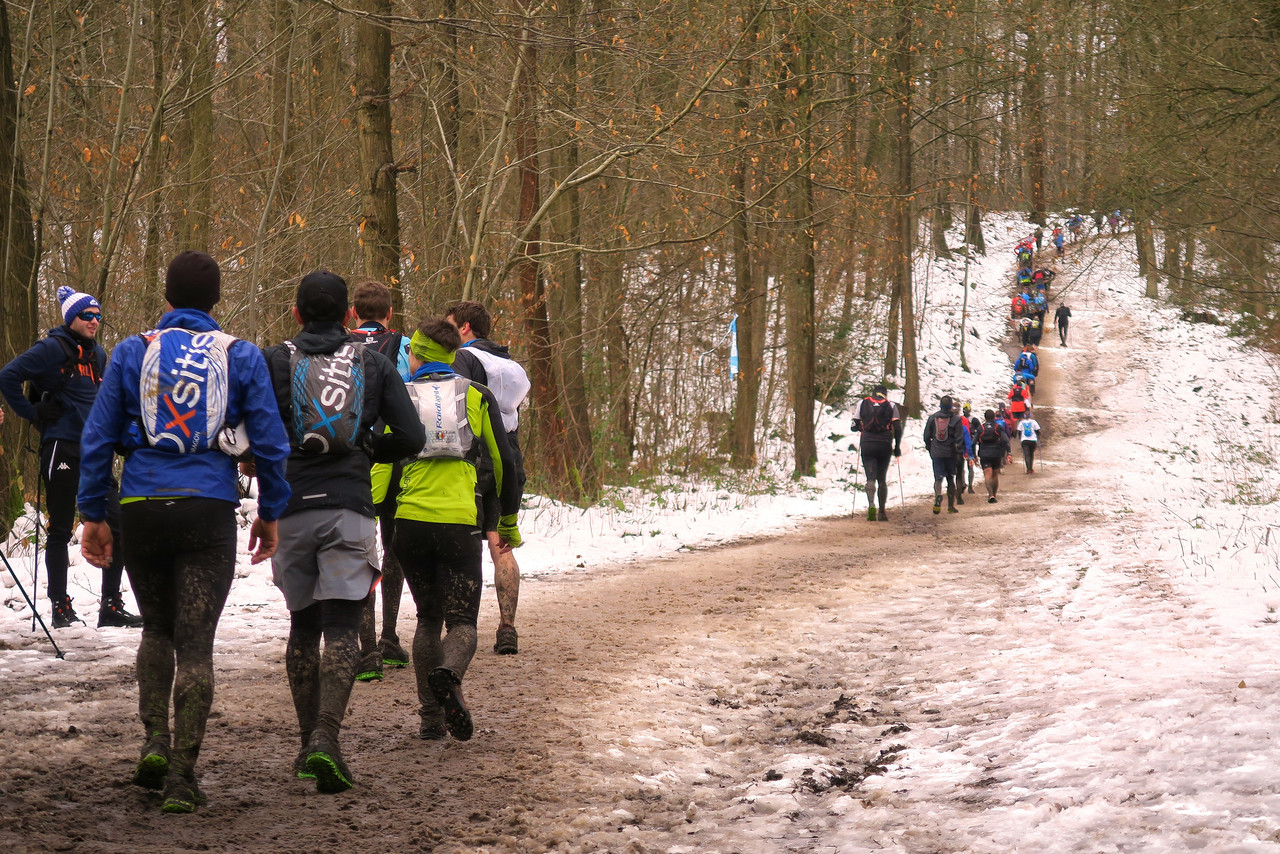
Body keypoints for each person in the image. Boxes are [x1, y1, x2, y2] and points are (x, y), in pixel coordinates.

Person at [76, 250, 292, 813]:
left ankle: (153, 741)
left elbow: (96, 437)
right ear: (216, 301)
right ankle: (183, 776)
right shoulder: (239, 355)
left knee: (157, 630)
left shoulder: (132, 350)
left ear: (167, 298)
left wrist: (92, 514)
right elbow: (270, 442)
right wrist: (271, 511)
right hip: (207, 509)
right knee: (196, 643)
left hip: (143, 505)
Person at [263, 271, 425, 794]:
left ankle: (306, 738)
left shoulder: (275, 361)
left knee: (302, 628)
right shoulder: (373, 363)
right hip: (351, 504)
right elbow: (412, 434)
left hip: (291, 506)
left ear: (296, 314)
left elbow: (249, 431)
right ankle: (327, 741)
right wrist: (368, 450)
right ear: (349, 317)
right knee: (341, 627)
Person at [394, 317, 522, 741]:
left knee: (427, 619)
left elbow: (381, 464)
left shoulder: (401, 395)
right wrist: (507, 521)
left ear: (419, 355)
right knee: (462, 622)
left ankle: (431, 719)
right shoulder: (477, 395)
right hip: (460, 524)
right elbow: (504, 463)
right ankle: (448, 674)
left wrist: (381, 509)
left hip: (409, 523)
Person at [0, 287, 142, 629]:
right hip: (61, 446)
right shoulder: (51, 348)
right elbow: (7, 376)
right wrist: (32, 411)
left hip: (96, 451)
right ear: (71, 319)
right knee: (61, 528)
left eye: (97, 316)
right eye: (86, 316)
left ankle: (110, 606)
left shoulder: (100, 356)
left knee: (117, 523)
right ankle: (60, 608)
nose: (94, 321)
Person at [443, 300, 531, 655]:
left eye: (450, 326)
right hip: (509, 453)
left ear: (464, 328)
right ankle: (507, 627)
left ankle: (460, 629)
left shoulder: (464, 358)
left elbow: (452, 405)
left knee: (462, 545)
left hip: (475, 456)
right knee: (500, 541)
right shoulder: (512, 366)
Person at [347, 281, 413, 682]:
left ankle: (366, 649)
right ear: (389, 314)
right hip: (396, 454)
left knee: (359, 549)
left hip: (354, 456)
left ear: (353, 313)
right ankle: (389, 637)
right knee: (394, 546)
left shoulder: (338, 346)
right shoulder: (404, 346)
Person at [852, 383, 902, 521]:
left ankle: (871, 504)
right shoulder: (891, 405)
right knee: (882, 479)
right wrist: (897, 447)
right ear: (885, 394)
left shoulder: (862, 403)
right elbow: (897, 428)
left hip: (867, 443)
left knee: (870, 477)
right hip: (884, 444)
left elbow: (854, 425)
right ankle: (882, 512)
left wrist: (860, 428)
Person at [923, 396, 965, 515]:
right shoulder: (956, 419)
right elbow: (959, 438)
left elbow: (926, 435)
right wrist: (959, 451)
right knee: (950, 478)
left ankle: (938, 495)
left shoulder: (933, 418)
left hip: (936, 451)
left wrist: (929, 447)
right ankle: (951, 506)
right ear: (951, 406)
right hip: (950, 452)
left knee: (938, 477)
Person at [974, 409, 1011, 503]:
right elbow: (1006, 440)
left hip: (984, 454)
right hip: (996, 453)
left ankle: (990, 494)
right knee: (995, 475)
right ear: (994, 417)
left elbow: (973, 442)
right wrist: (1009, 453)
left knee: (987, 474)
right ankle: (994, 494)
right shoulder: (998, 427)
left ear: (985, 417)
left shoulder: (980, 428)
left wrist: (973, 455)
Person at [962, 402, 981, 495]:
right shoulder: (974, 420)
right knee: (970, 466)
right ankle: (969, 486)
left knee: (962, 467)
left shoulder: (959, 420)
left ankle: (963, 484)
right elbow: (980, 430)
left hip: (962, 445)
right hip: (970, 444)